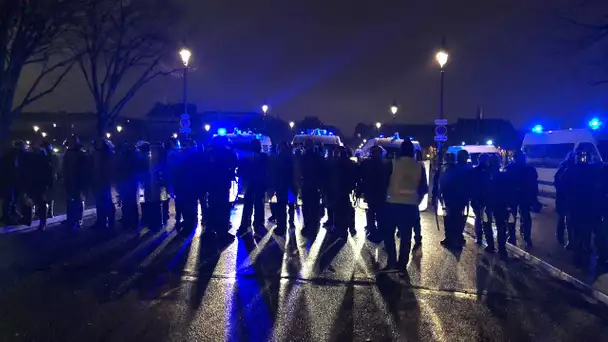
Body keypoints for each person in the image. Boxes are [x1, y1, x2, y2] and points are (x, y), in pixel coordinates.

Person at [380, 140, 428, 274]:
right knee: (406, 236)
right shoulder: (419, 166)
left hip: (392, 203)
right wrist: (417, 199)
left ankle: (392, 262)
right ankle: (402, 265)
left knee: (388, 234)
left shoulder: (393, 163)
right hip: (410, 206)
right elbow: (423, 187)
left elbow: (384, 182)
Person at [562, 148, 603, 268]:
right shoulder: (588, 170)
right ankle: (582, 253)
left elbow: (562, 187)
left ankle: (581, 254)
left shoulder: (572, 170)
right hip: (582, 206)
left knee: (581, 231)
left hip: (580, 207)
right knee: (583, 231)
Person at [504, 150, 539, 248]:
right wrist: (534, 197)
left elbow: (504, 184)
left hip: (513, 197)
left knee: (512, 217)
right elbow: (534, 184)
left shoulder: (510, 168)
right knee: (525, 216)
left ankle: (512, 236)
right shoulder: (530, 169)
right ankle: (526, 237)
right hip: (524, 196)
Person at [207, 135, 238, 243]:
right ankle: (222, 233)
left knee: (212, 206)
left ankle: (210, 230)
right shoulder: (227, 152)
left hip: (211, 184)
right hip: (223, 184)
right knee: (223, 208)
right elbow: (235, 163)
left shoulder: (210, 152)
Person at [438, 151, 471, 249]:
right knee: (459, 218)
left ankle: (452, 239)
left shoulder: (454, 168)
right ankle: (457, 238)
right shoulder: (467, 169)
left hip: (452, 198)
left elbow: (445, 182)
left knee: (451, 218)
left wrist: (441, 194)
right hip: (460, 198)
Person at [358, 146, 390, 242]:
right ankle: (380, 232)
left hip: (370, 192)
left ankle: (372, 231)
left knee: (371, 211)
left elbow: (360, 175)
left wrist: (360, 188)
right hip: (382, 192)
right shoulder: (387, 163)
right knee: (381, 213)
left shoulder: (366, 162)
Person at [238, 138, 269, 235]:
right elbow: (267, 171)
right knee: (259, 204)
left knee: (248, 205)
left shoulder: (247, 157)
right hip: (260, 183)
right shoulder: (264, 157)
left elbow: (240, 170)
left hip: (249, 184)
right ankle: (258, 224)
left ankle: (245, 225)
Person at [483, 154, 510, 257]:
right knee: (501, 226)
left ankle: (490, 246)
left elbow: (482, 191)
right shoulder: (503, 176)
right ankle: (502, 248)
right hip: (500, 204)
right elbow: (507, 192)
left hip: (488, 204)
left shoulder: (486, 175)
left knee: (487, 224)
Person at [63, 136, 89, 230]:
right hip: (70, 180)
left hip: (77, 181)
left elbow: (84, 170)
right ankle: (70, 218)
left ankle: (78, 220)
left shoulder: (80, 154)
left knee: (78, 200)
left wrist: (82, 182)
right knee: (70, 200)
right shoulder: (68, 153)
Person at [300, 140, 324, 237]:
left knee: (306, 207)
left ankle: (308, 226)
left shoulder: (303, 157)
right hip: (315, 186)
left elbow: (301, 171)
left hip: (307, 185)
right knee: (314, 207)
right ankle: (314, 226)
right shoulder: (318, 157)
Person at [272, 142, 297, 235]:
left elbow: (276, 172)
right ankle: (290, 223)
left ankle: (281, 227)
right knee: (290, 205)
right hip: (289, 185)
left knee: (281, 207)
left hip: (281, 186)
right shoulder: (291, 158)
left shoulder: (279, 158)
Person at [91, 138, 116, 229]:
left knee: (106, 201)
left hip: (104, 180)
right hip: (99, 180)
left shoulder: (106, 155)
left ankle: (109, 221)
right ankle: (102, 221)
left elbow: (108, 168)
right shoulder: (100, 154)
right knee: (101, 202)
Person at [554, 152, 575, 247]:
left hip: (565, 198)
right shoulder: (565, 168)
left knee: (565, 219)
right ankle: (563, 239)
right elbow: (558, 183)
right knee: (564, 219)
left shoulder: (563, 167)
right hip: (564, 198)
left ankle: (566, 240)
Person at [471, 154, 490, 245]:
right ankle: (484, 238)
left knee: (479, 218)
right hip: (484, 198)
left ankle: (479, 237)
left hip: (478, 198)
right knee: (484, 218)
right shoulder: (488, 171)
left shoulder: (475, 171)